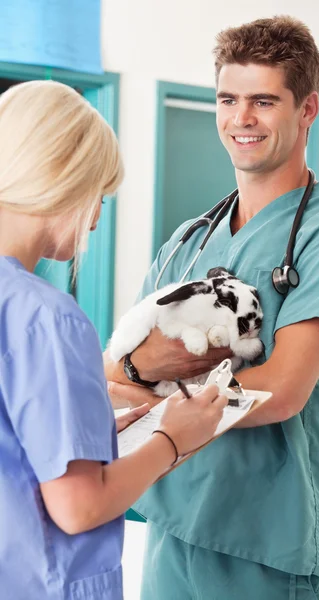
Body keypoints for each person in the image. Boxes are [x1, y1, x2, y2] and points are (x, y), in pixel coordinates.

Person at [105, 15, 319, 600]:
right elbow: (114, 372)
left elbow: (281, 391)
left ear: (306, 109)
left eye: (263, 100)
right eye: (228, 99)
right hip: (172, 534)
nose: (241, 119)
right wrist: (145, 381)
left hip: (273, 550)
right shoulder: (190, 240)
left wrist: (154, 392)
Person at [0, 80, 228, 600]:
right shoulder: (46, 317)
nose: (98, 219)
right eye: (98, 196)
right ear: (62, 177)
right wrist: (174, 439)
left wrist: (94, 430)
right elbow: (78, 508)